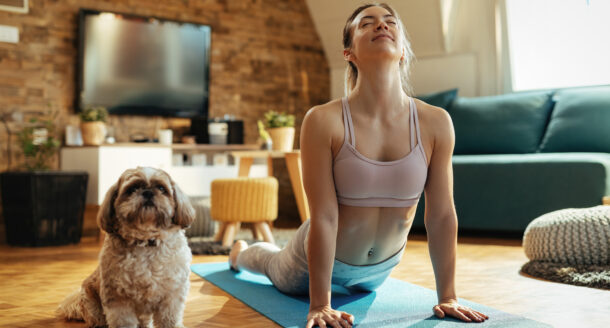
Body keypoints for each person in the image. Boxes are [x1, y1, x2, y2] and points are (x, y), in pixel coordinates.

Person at [229, 3, 489, 327]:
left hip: (379, 271)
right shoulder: (323, 120)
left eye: (389, 22)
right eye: (367, 23)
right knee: (270, 264)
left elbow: (441, 214)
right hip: (317, 261)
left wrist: (448, 296)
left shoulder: (436, 122)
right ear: (348, 52)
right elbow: (322, 215)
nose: (381, 26)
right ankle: (240, 252)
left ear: (404, 49)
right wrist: (320, 303)